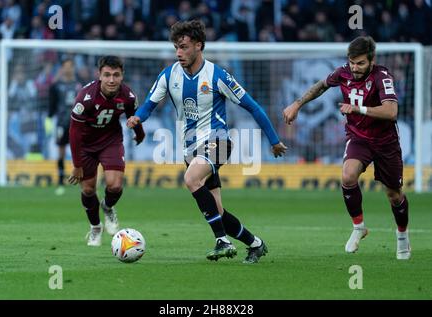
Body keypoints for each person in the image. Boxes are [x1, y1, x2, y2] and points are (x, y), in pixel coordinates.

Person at [127, 20, 287, 263]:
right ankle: (256, 244)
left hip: (218, 142)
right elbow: (149, 105)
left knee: (190, 179)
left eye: (184, 47)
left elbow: (253, 107)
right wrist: (137, 118)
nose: (179, 53)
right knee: (218, 211)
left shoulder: (218, 75)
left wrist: (274, 141)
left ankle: (222, 241)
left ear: (199, 46)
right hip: (190, 148)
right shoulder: (169, 75)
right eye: (176, 48)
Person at [283, 36, 410, 260]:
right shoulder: (343, 73)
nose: (354, 67)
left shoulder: (382, 76)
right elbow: (321, 86)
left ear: (372, 60)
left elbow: (391, 112)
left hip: (385, 141)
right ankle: (359, 227)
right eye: (352, 62)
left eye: (360, 63)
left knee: (393, 194)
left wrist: (357, 108)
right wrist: (297, 104)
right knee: (348, 176)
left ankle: (402, 236)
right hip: (359, 138)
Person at [68, 56, 145, 246]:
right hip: (86, 146)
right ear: (99, 75)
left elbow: (133, 116)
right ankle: (95, 228)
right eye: (107, 75)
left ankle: (108, 207)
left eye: (116, 75)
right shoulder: (85, 98)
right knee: (88, 189)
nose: (111, 80)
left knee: (115, 186)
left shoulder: (128, 96)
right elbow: (74, 133)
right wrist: (77, 165)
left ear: (122, 76)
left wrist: (140, 133)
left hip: (110, 141)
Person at [47, 59, 81, 196]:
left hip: (77, 123)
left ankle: (81, 179)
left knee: (80, 152)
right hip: (61, 123)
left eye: (70, 67)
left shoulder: (79, 86)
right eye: (65, 67)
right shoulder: (57, 86)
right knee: (61, 151)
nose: (68, 69)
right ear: (61, 68)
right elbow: (52, 104)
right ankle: (61, 181)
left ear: (73, 68)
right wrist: (49, 119)